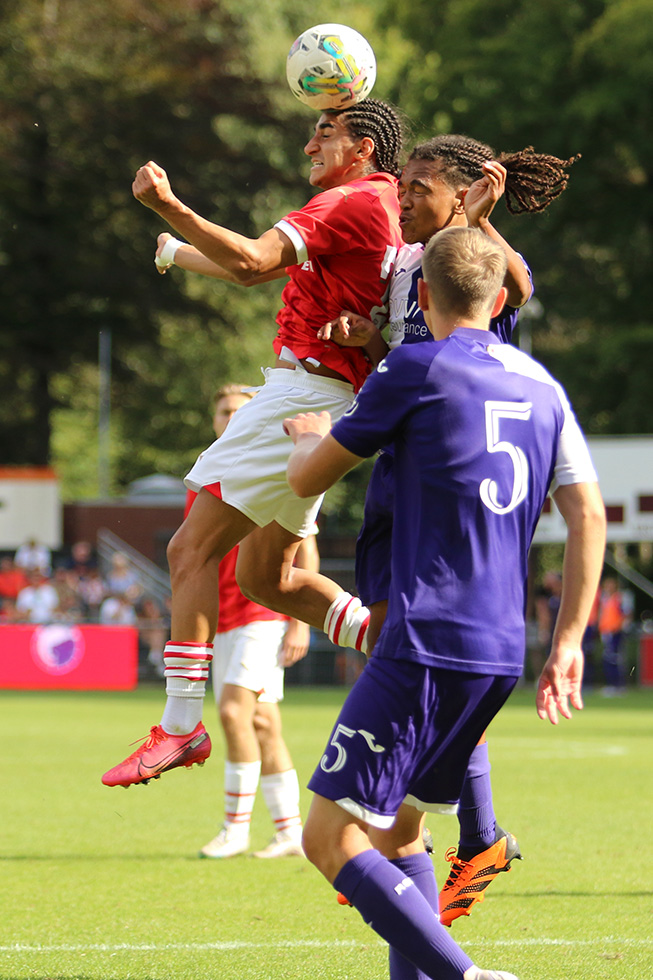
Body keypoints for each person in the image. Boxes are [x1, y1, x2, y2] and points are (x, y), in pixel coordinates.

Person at [283, 226, 606, 980]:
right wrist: (567, 643)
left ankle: (462, 976)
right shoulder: (542, 387)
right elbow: (587, 516)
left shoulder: (414, 368)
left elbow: (307, 479)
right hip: (500, 651)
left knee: (328, 837)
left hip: (423, 637)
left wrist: (307, 434)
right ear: (498, 300)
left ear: (420, 296)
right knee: (401, 834)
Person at [102, 98, 405, 788]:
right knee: (268, 578)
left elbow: (250, 262)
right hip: (327, 400)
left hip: (302, 398)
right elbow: (268, 270)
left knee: (189, 547)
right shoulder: (380, 206)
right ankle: (397, 647)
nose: (308, 148)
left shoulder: (350, 202)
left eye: (322, 133)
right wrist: (179, 253)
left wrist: (167, 206)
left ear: (362, 149)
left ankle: (179, 726)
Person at [320, 134, 577, 928]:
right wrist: (366, 340)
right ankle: (461, 837)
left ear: (464, 192)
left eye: (420, 187)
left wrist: (481, 221)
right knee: (406, 649)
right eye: (401, 185)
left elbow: (516, 283)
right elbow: (402, 342)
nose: (402, 197)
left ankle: (455, 841)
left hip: (445, 481)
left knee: (415, 648)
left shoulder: (471, 259)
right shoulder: (406, 262)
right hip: (403, 473)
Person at [198, 384, 313, 860]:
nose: (229, 418)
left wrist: (300, 622)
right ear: (213, 419)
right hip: (225, 618)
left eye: (237, 412)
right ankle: (290, 832)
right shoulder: (208, 470)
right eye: (223, 410)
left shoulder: (272, 462)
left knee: (231, 713)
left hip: (259, 614)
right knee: (263, 722)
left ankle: (235, 829)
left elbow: (304, 540)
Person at [598, 576, 632, 696]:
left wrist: (621, 628)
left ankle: (617, 685)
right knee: (608, 659)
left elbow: (626, 615)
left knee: (615, 659)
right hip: (607, 632)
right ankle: (612, 684)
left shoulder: (619, 598)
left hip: (615, 632)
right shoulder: (605, 598)